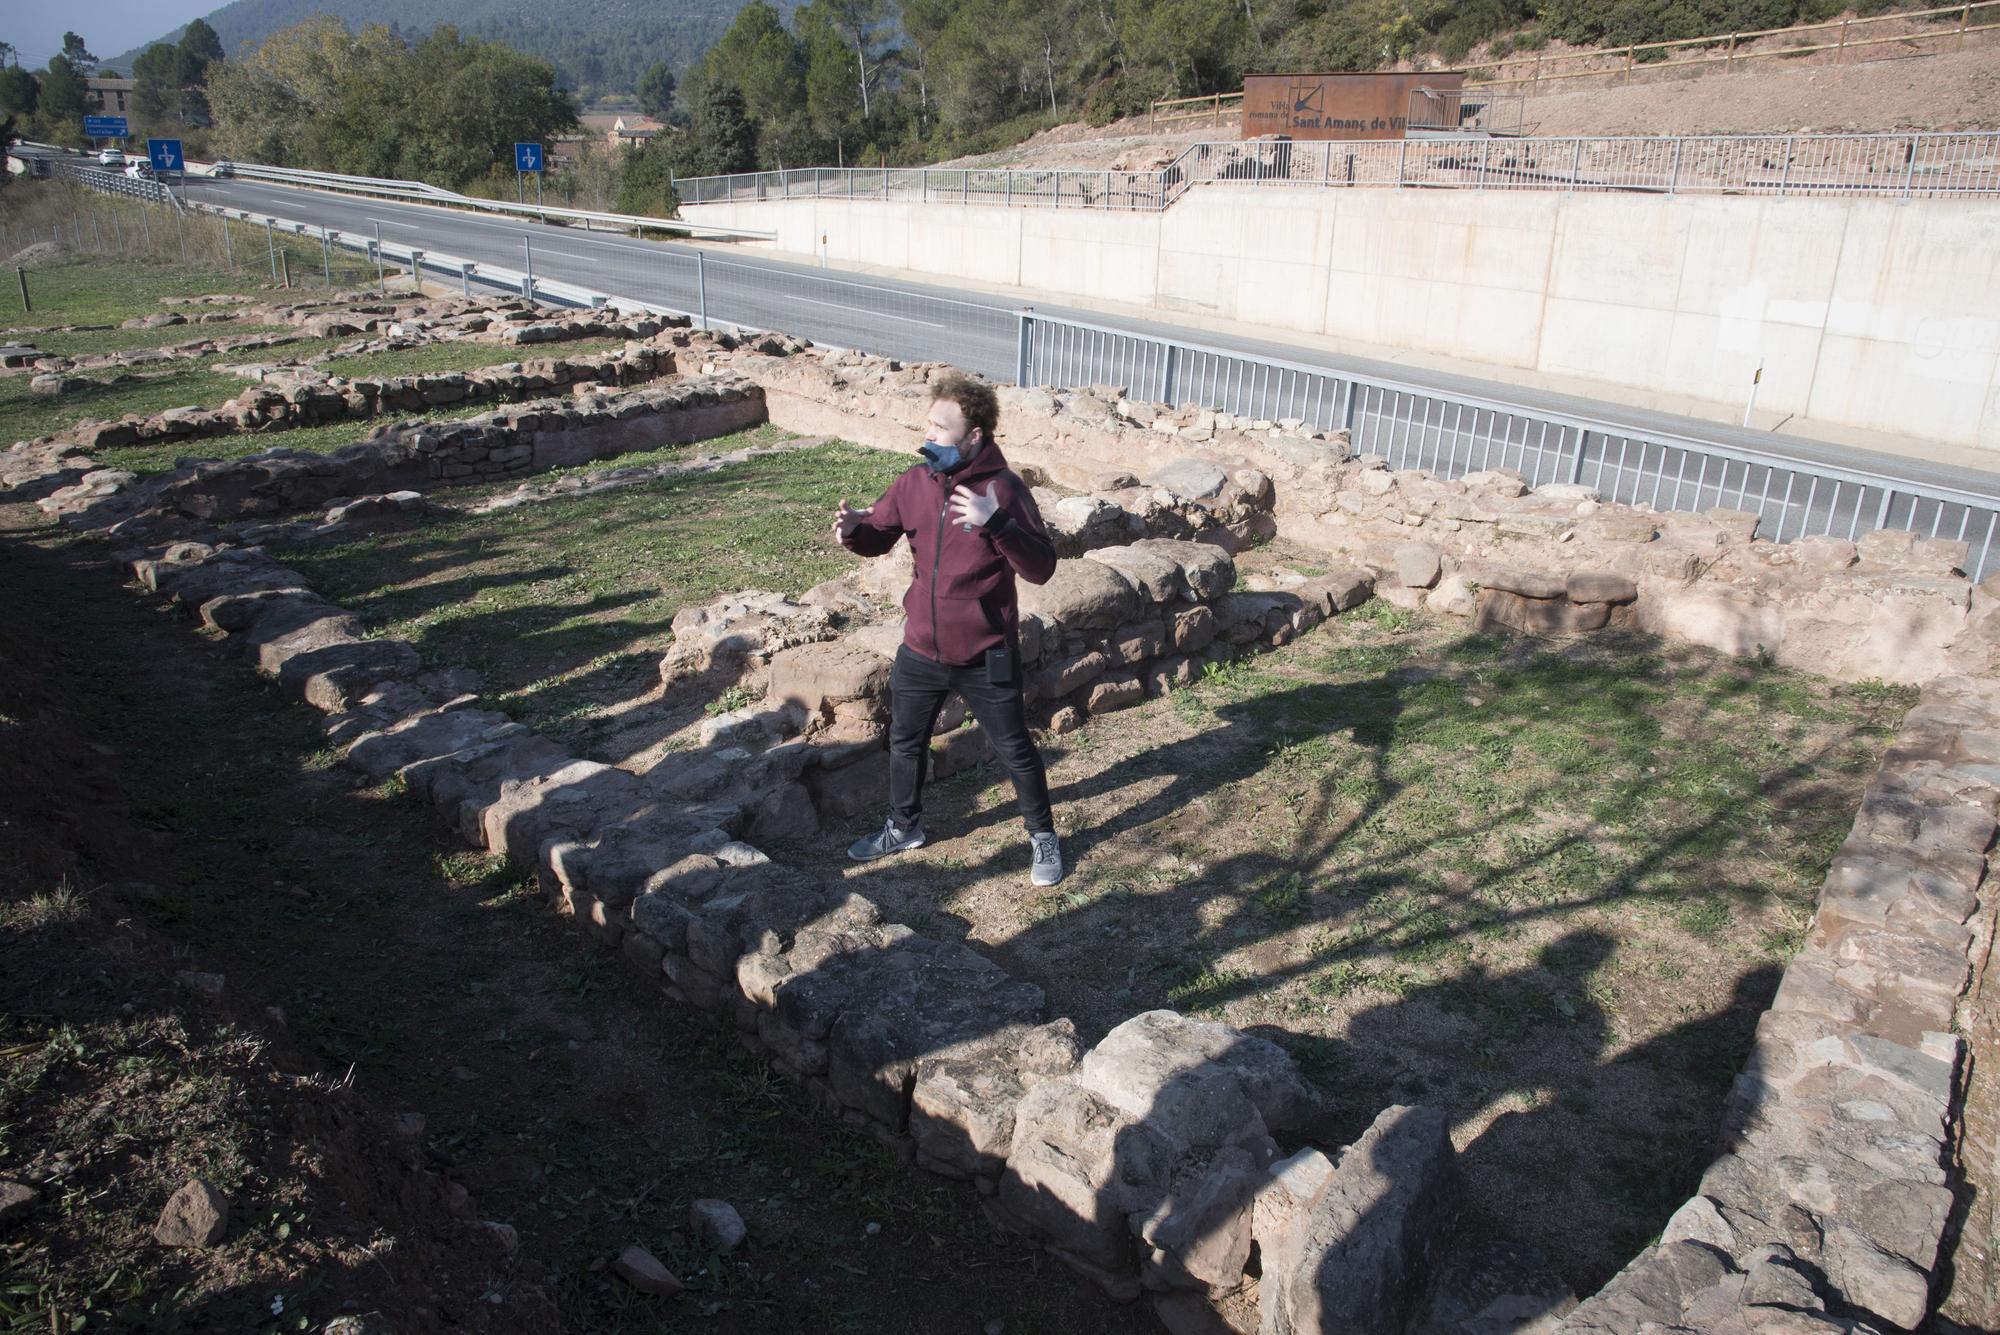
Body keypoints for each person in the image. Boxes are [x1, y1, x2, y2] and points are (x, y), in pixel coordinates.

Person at [832, 374, 1065, 886]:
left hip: (985, 654)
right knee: (905, 742)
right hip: (920, 650)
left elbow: (1041, 568)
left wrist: (996, 523)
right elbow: (880, 535)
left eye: (942, 427)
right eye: (929, 423)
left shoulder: (1003, 489)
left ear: (975, 435)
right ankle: (903, 827)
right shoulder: (914, 483)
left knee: (1014, 749)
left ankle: (1043, 837)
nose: (929, 433)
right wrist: (855, 533)